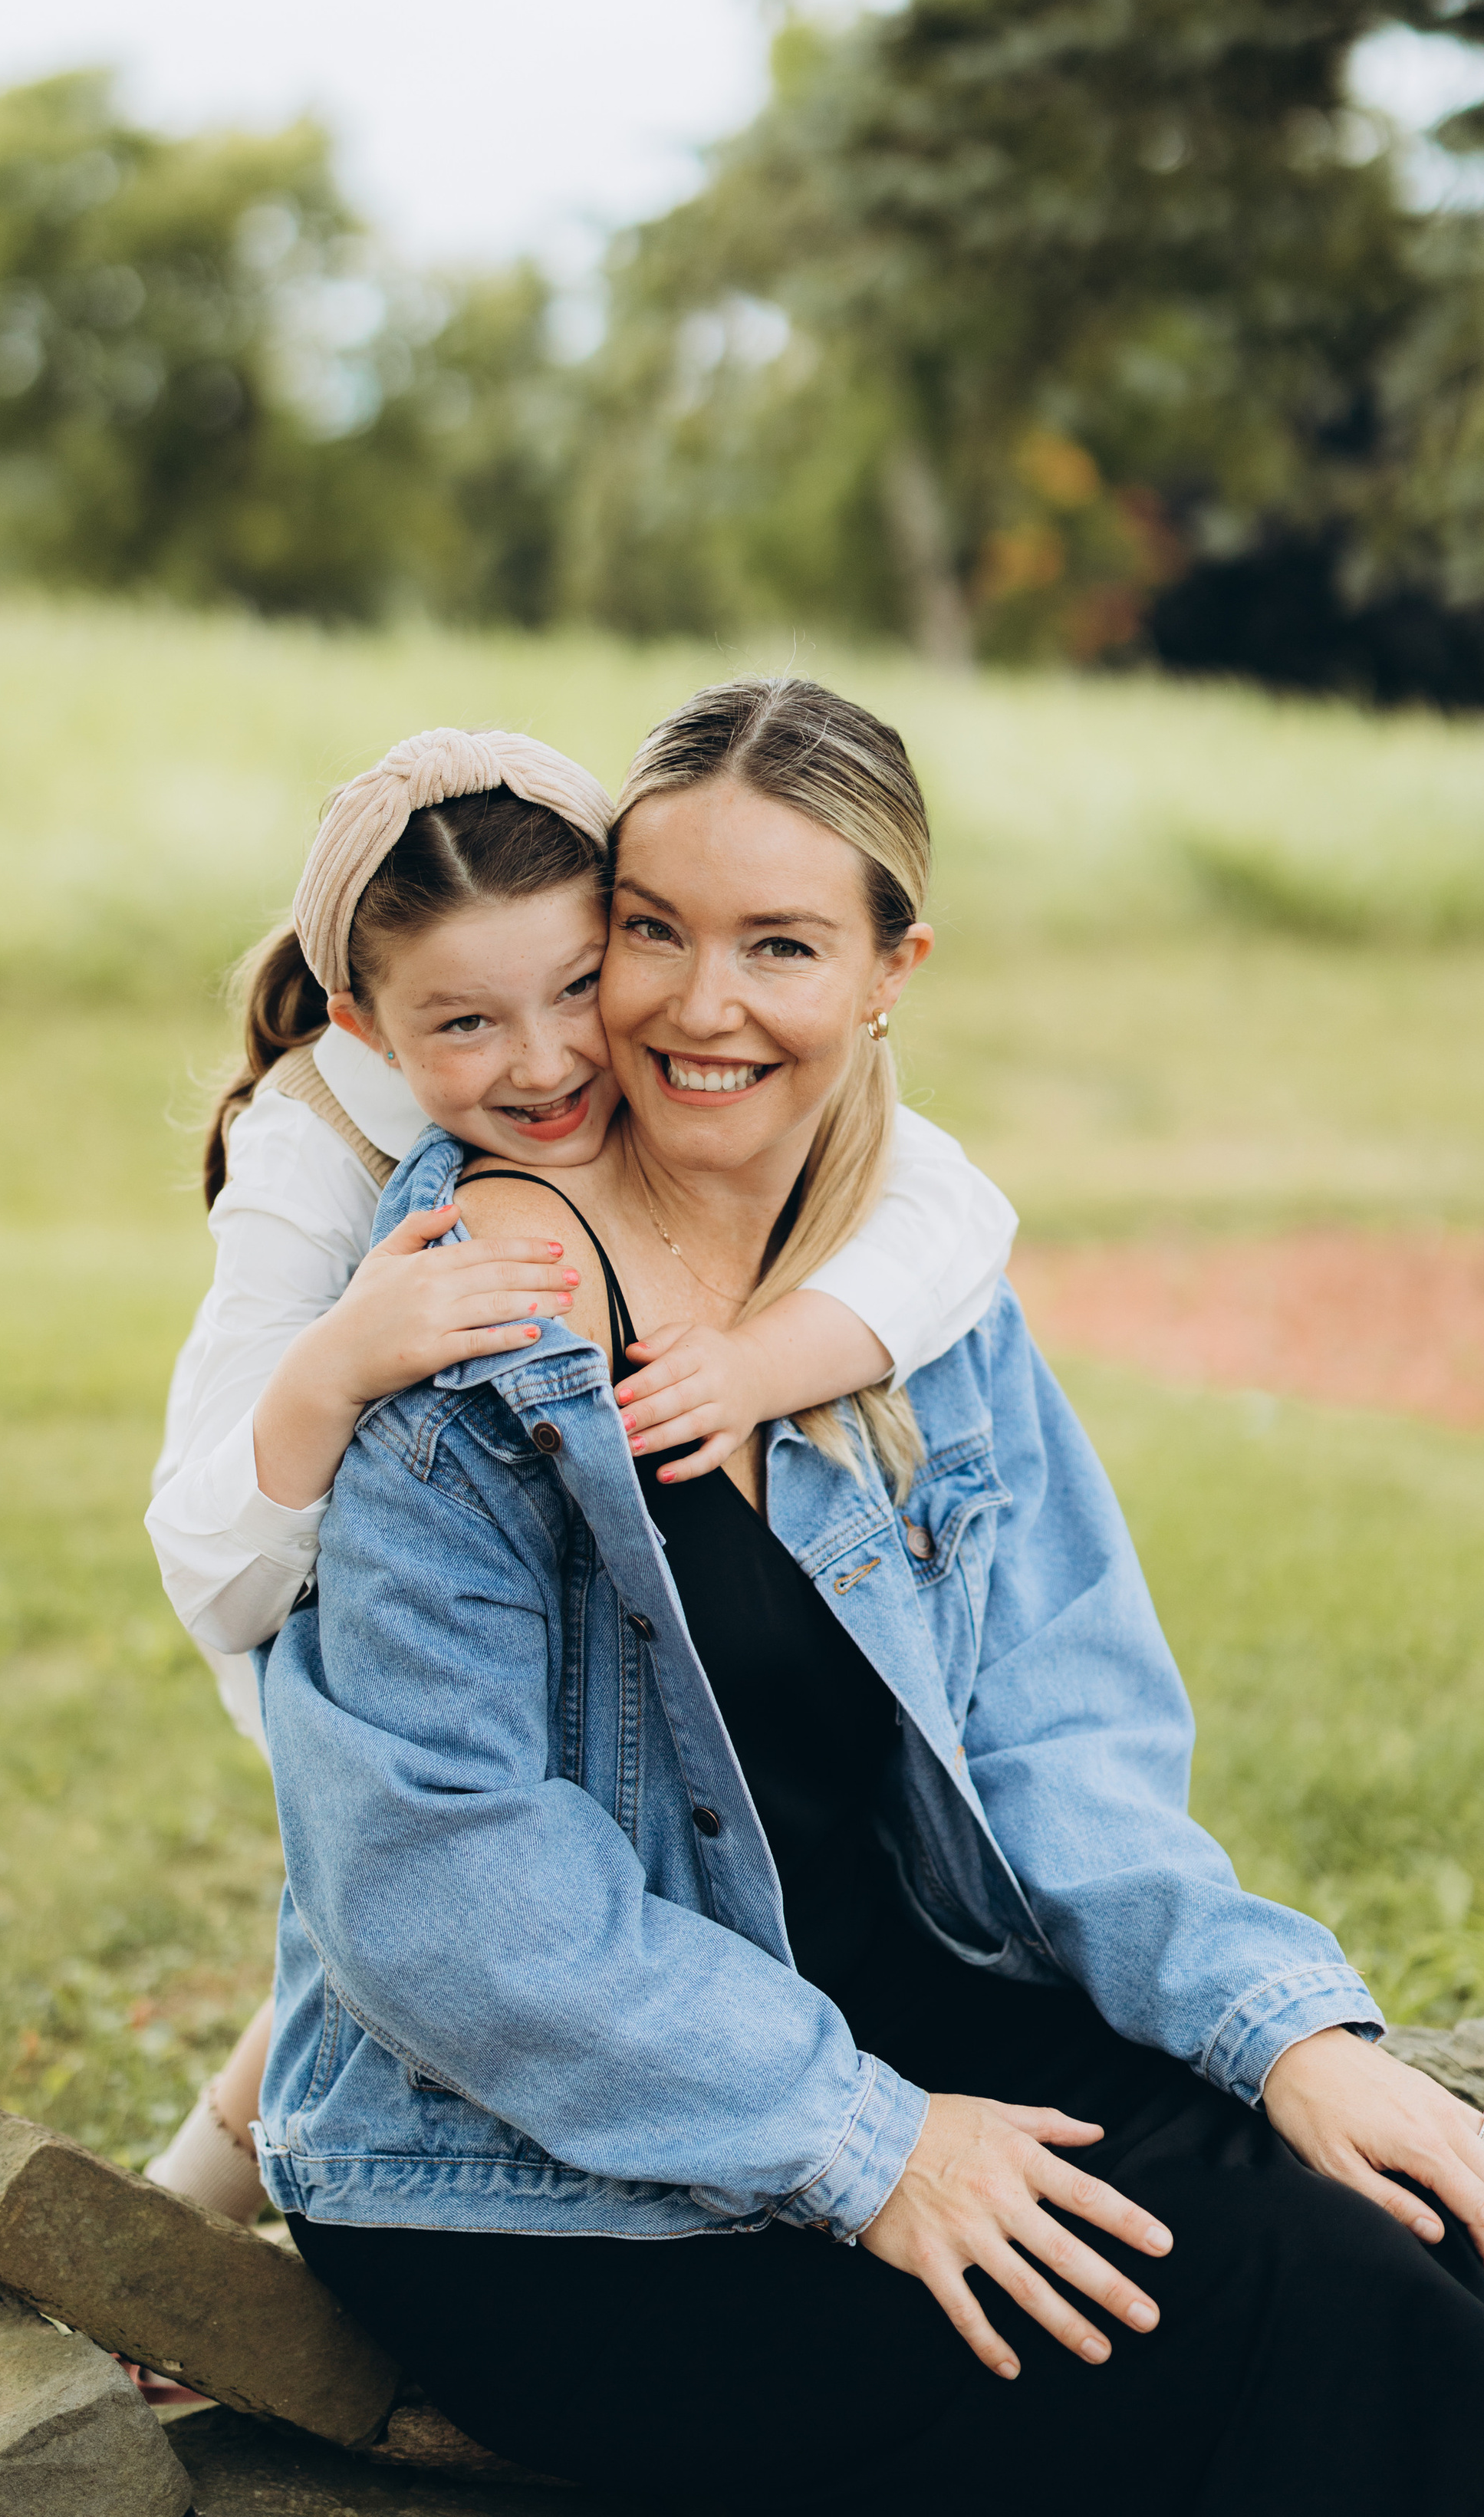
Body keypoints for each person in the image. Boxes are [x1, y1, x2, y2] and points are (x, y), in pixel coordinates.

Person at [253, 676, 1484, 2517]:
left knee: (1443, 2245)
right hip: (539, 2181)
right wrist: (871, 2148)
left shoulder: (908, 1296)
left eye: (780, 944)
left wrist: (1279, 2032)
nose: (700, 1005)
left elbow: (1059, 1726)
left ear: (889, 970)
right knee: (1316, 2311)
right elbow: (440, 1890)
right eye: (650, 932)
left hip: (902, 2018)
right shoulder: (472, 1325)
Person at [143, 723, 1016, 2219]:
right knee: (443, 1878)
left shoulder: (692, 1075)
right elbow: (216, 1569)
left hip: (547, 1598)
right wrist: (337, 1365)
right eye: (468, 1023)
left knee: (557, 1868)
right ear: (366, 1026)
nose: (546, 1060)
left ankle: (194, 2213)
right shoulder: (315, 1146)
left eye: (576, 986)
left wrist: (759, 1366)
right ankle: (188, 2222)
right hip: (356, 1599)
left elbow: (955, 1214)